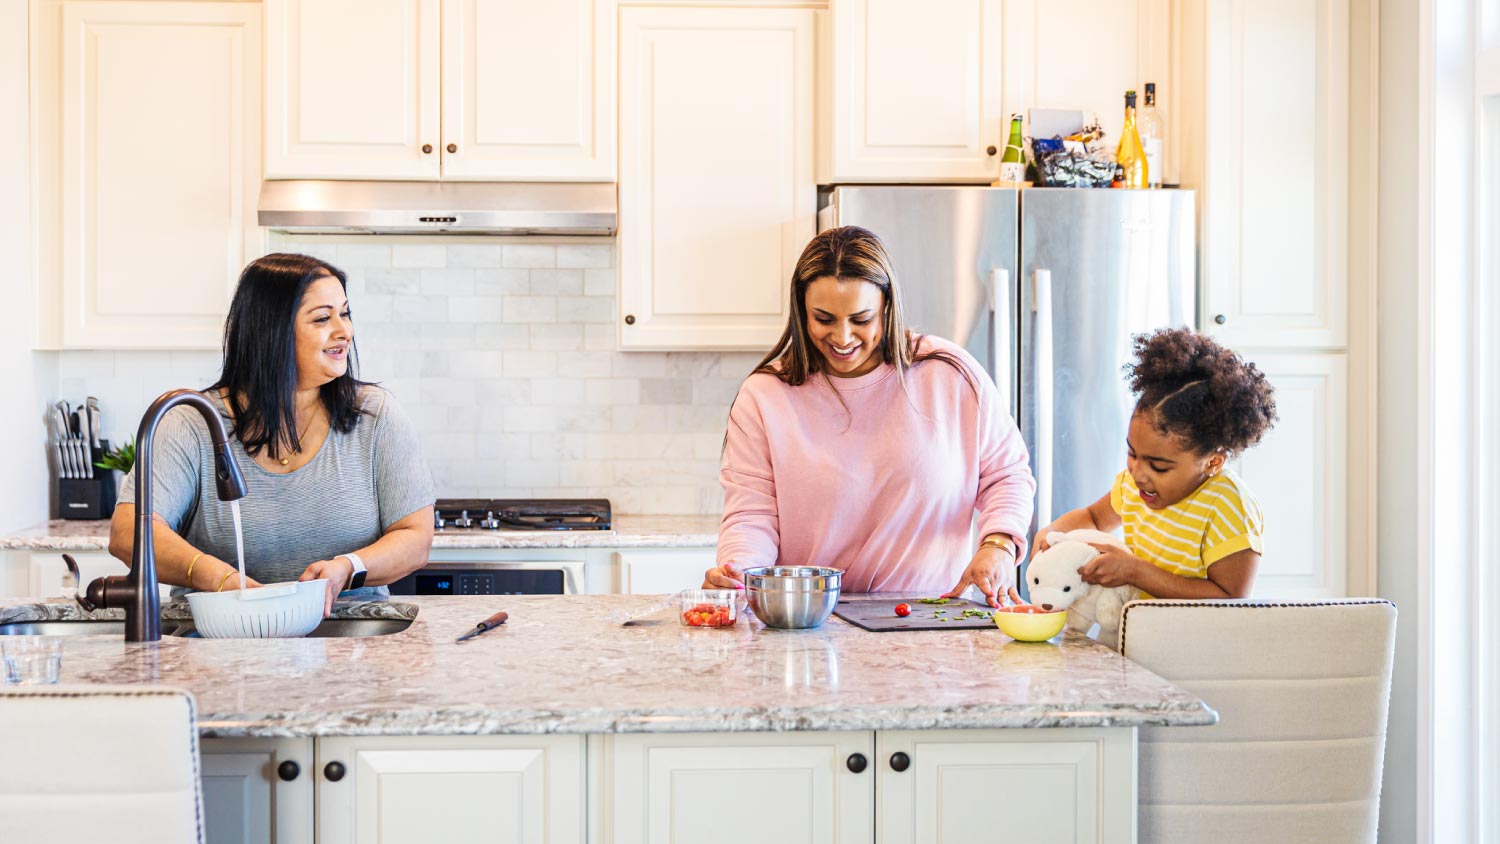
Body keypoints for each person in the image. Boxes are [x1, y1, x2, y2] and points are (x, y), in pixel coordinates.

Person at [703, 226, 1036, 605]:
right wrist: (739, 578)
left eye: (861, 320)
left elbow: (1007, 474)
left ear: (887, 308)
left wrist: (999, 544)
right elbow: (751, 515)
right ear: (801, 312)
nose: (842, 338)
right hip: (810, 620)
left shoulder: (950, 375)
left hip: (931, 619)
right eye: (824, 319)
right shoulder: (764, 396)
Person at [109, 253, 435, 615]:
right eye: (323, 318)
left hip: (351, 641)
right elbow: (127, 533)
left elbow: (415, 537)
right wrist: (218, 579)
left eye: (345, 313)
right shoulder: (192, 423)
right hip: (218, 641)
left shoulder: (376, 417)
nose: (345, 331)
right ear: (271, 331)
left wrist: (347, 569)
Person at [1032, 327, 1277, 599]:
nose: (1138, 474)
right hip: (1137, 633)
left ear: (1212, 462)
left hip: (1195, 641)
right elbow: (1094, 518)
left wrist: (1136, 572)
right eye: (1132, 454)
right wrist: (1054, 531)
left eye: (1159, 466)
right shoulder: (1132, 485)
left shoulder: (1228, 506)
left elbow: (1231, 598)